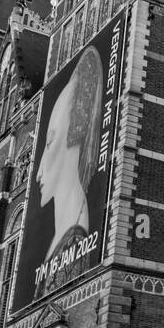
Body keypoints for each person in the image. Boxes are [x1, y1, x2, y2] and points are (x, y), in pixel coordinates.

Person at [33, 47, 104, 292]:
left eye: (50, 143)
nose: (38, 170)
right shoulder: (62, 237)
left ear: (75, 136)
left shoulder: (75, 241)